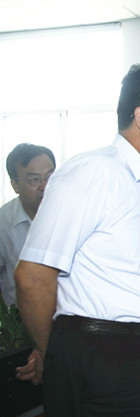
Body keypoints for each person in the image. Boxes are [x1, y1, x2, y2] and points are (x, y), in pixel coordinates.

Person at [14, 64, 140, 417]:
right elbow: (33, 277)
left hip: (133, 353)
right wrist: (54, 352)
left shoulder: (138, 183)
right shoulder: (95, 172)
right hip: (101, 354)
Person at [0, 143, 55, 383]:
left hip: (66, 328)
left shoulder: (68, 216)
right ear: (15, 184)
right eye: (34, 180)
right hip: (20, 332)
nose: (44, 186)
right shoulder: (3, 223)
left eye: (50, 177)